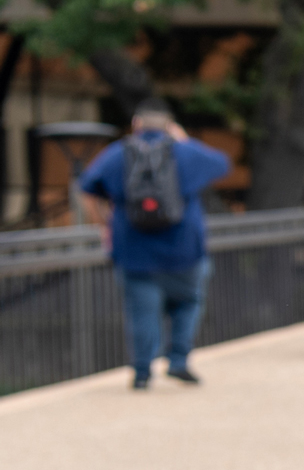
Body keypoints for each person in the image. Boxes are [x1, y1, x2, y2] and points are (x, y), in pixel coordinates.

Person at [72, 102, 235, 392]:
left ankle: (143, 371)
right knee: (189, 302)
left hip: (134, 251)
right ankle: (178, 360)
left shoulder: (118, 153)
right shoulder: (184, 151)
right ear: (170, 127)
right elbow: (222, 164)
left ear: (136, 124)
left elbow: (86, 189)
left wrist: (104, 224)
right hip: (184, 249)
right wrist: (183, 140)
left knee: (141, 312)